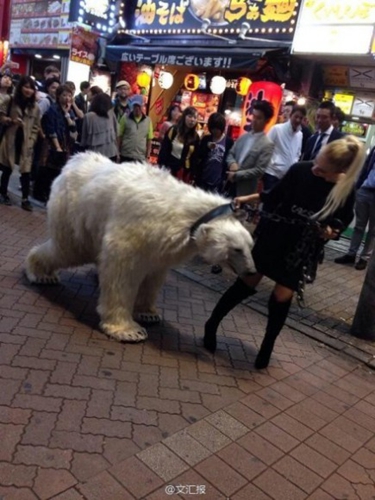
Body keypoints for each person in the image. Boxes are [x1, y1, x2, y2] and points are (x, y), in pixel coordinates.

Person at [203, 135, 365, 369]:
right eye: (316, 162)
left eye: (322, 169)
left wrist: (331, 230)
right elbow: (274, 195)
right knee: (247, 281)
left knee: (282, 296)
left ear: (340, 171)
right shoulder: (301, 169)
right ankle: (212, 323)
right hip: (274, 236)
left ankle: (267, 345)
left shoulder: (344, 190)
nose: (315, 168)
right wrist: (247, 199)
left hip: (300, 249)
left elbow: (342, 220)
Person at [0, 76, 41, 210]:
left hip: (26, 141)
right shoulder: (10, 100)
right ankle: (3, 193)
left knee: (25, 170)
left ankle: (25, 199)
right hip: (11, 137)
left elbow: (36, 126)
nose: (28, 90)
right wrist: (11, 121)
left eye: (31, 88)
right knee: (7, 167)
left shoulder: (35, 107)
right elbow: (1, 117)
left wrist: (32, 139)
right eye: (26, 87)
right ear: (20, 87)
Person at [334, 145, 375, 271]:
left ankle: (364, 258)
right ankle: (351, 254)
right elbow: (365, 167)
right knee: (359, 226)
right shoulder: (374, 149)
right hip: (365, 190)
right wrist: (358, 186)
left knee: (373, 230)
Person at [226, 100, 275, 196]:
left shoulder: (267, 144)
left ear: (267, 121)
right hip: (230, 184)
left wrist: (237, 175)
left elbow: (259, 170)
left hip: (245, 190)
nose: (254, 120)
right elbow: (231, 153)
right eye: (253, 116)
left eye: (259, 118)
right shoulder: (243, 137)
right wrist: (232, 163)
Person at [262, 105, 306, 191]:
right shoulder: (277, 129)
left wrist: (294, 163)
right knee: (269, 201)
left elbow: (298, 153)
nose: (298, 120)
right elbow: (265, 148)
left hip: (287, 176)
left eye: (301, 118)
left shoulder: (300, 134)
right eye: (296, 116)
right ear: (291, 116)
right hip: (272, 173)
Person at [158, 106, 200, 184]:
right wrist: (161, 168)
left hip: (185, 173)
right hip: (170, 169)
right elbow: (164, 150)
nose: (192, 120)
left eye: (195, 117)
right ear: (184, 117)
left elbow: (194, 158)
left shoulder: (196, 137)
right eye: (190, 116)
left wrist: (193, 175)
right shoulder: (173, 131)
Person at [196, 112, 233, 193]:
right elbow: (199, 156)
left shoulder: (228, 142)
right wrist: (206, 147)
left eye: (217, 128)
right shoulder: (206, 139)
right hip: (203, 178)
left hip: (218, 181)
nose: (215, 131)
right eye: (213, 128)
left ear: (221, 127)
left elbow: (230, 160)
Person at [80, 93, 119, 161]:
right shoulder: (111, 114)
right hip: (111, 152)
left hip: (94, 155)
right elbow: (116, 133)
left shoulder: (88, 117)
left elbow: (84, 139)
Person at [118, 95, 153, 163]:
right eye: (135, 106)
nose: (137, 109)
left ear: (143, 107)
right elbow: (119, 136)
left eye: (139, 106)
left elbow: (149, 140)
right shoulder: (125, 118)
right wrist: (117, 152)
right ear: (132, 107)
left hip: (140, 157)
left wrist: (148, 156)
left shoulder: (148, 120)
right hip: (125, 155)